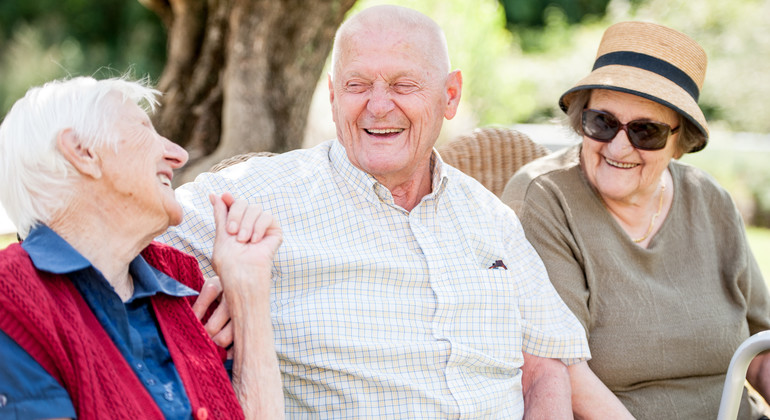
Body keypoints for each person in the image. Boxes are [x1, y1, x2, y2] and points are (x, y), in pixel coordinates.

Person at [159, 5, 590, 418]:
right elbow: (123, 235)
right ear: (332, 95)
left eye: (404, 85)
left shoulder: (491, 216)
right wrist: (209, 289)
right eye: (358, 85)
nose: (379, 105)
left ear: (450, 95)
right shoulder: (256, 195)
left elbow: (545, 366)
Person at [501, 21, 770, 419]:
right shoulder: (545, 200)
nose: (619, 145)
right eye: (603, 122)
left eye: (647, 131)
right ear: (581, 119)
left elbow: (761, 348)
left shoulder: (711, 200)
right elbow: (557, 367)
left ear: (680, 142)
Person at [0, 76, 284, 419]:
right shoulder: (13, 298)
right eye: (144, 130)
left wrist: (249, 289)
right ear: (82, 151)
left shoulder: (181, 284)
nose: (178, 155)